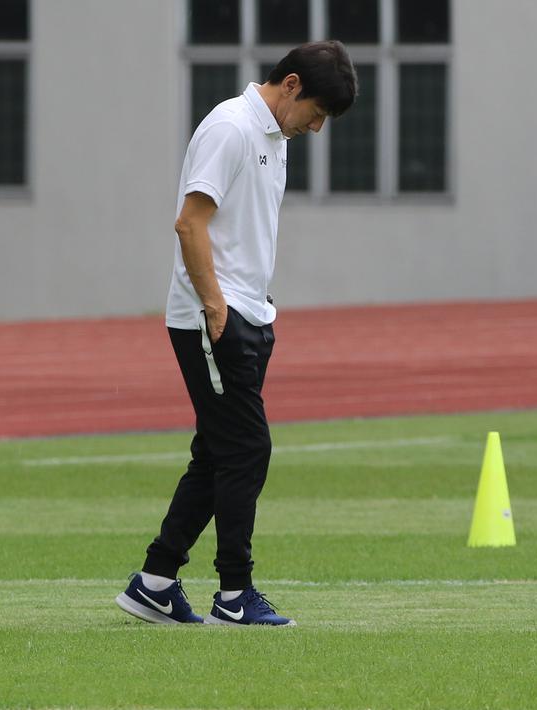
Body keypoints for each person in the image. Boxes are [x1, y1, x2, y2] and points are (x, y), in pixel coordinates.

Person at [115, 41, 358, 626]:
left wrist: (254, 308)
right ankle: (234, 594)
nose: (317, 128)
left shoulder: (274, 138)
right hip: (213, 318)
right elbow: (189, 222)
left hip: (248, 314)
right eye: (318, 114)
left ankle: (154, 582)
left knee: (218, 453)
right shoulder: (231, 128)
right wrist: (215, 305)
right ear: (292, 85)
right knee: (248, 449)